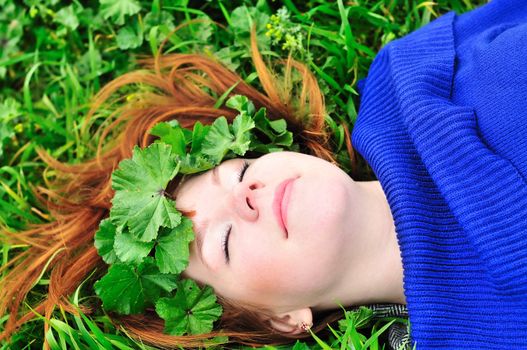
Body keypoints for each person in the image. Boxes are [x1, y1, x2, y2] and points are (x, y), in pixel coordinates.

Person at [1, 0, 526, 349]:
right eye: (224, 243)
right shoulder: (482, 335)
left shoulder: (408, 79)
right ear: (281, 319)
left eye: (239, 170)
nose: (246, 196)